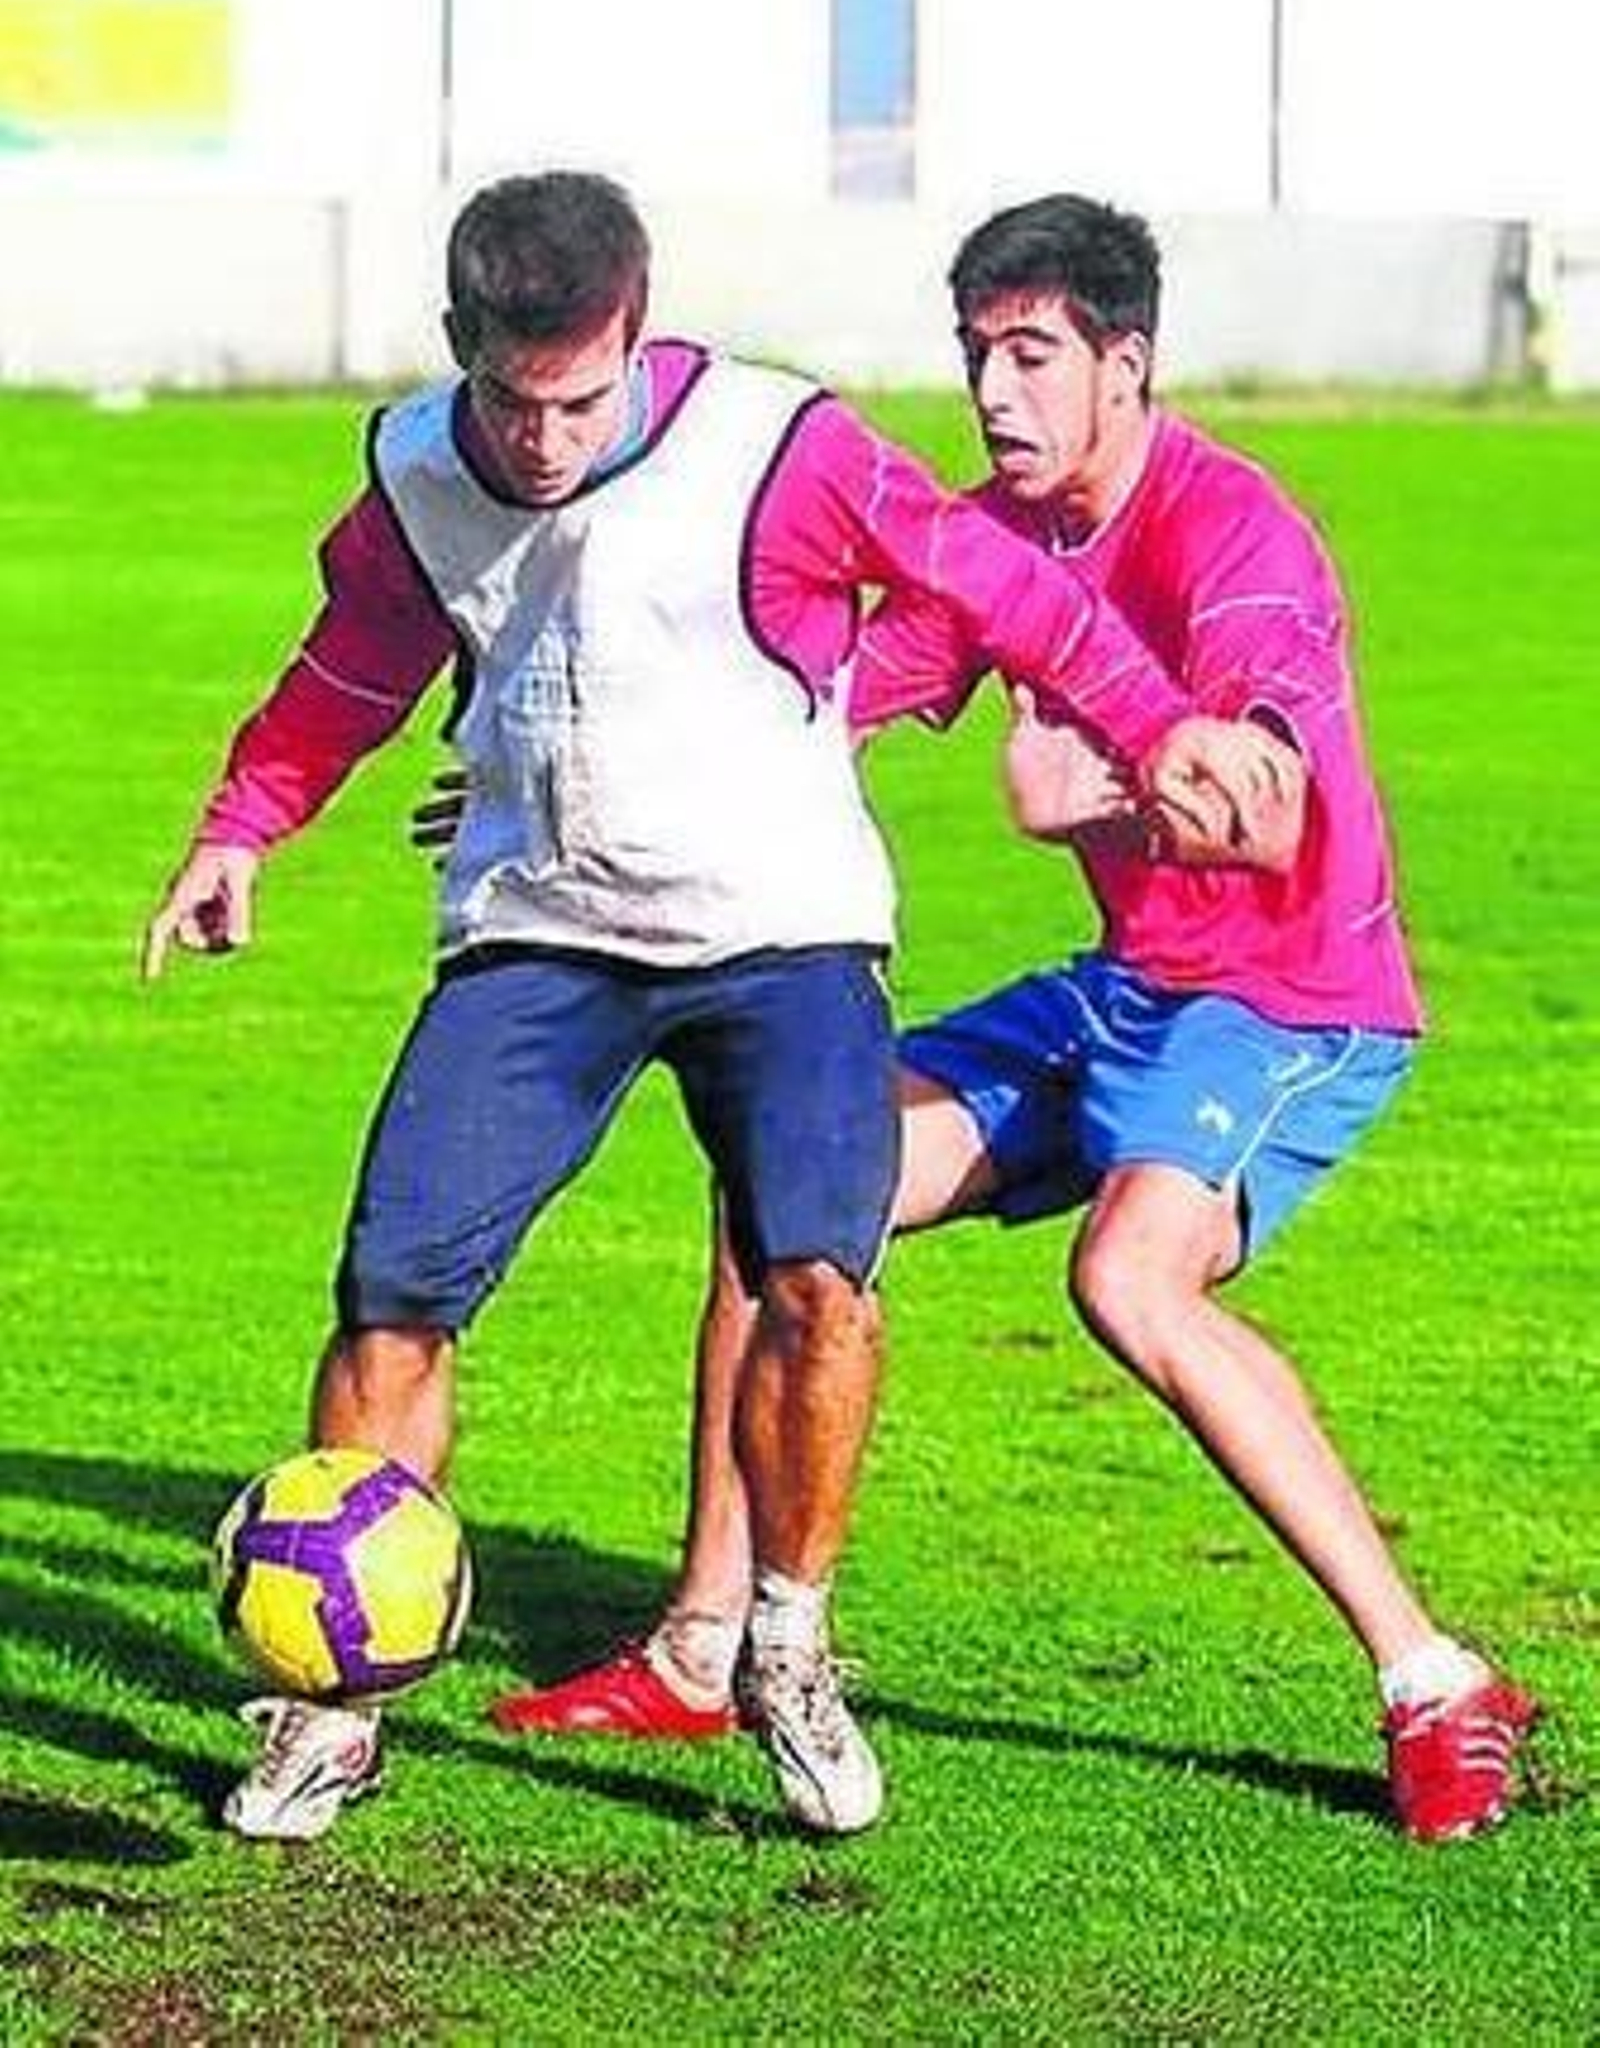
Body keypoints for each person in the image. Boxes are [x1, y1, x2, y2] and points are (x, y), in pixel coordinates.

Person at [142, 173, 1279, 1845]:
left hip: (786, 935)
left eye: (585, 399)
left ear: (640, 328)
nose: (546, 441)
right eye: (516, 402)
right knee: (392, 1300)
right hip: (538, 936)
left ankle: (787, 1648)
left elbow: (1001, 585)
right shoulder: (414, 478)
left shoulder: (780, 444)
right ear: (463, 348)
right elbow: (347, 673)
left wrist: (1158, 721)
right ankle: (331, 1706)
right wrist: (240, 829)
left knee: (818, 1282)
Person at [490, 192, 1539, 1845]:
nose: (995, 392)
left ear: (1128, 365)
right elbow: (811, 710)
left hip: (1290, 1005)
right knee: (791, 1185)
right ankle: (705, 1646)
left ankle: (1436, 1679)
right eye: (979, 354)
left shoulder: (1237, 537)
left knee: (1128, 1276)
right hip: (1125, 994)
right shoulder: (998, 531)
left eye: (1034, 356)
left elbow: (1270, 813)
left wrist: (1097, 793)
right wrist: (568, 781)